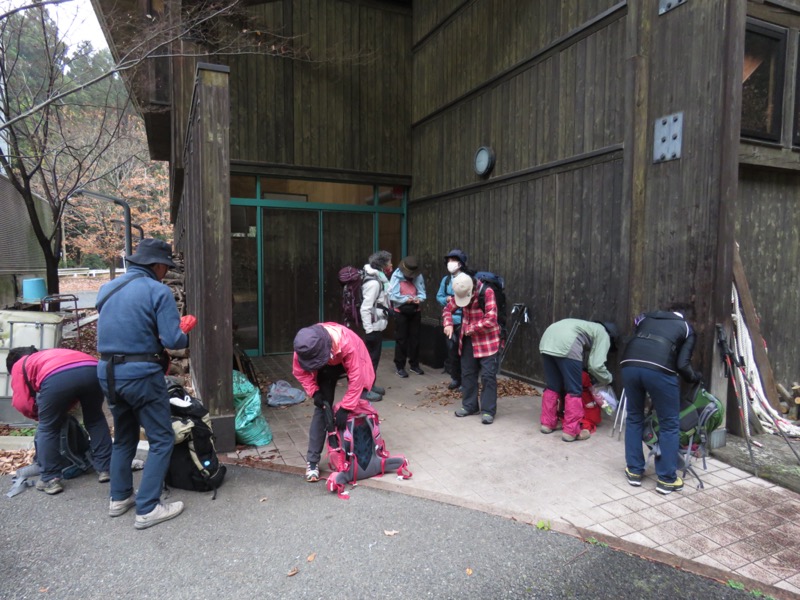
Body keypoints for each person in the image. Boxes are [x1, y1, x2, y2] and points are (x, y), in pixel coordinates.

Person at [96, 238, 197, 529]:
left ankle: (119, 498)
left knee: (124, 436)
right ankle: (148, 507)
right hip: (140, 374)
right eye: (166, 267)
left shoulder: (107, 288)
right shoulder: (157, 290)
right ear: (157, 265)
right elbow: (173, 340)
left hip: (106, 372)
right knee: (161, 438)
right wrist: (184, 329)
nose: (166, 272)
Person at [6, 347, 112, 495]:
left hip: (57, 376)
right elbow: (72, 389)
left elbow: (22, 403)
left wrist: (41, 416)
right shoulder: (49, 354)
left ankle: (50, 479)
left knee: (47, 428)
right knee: (95, 419)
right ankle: (106, 468)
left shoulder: (18, 365)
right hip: (92, 367)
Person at [621, 307, 702, 495]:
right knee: (669, 424)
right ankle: (666, 479)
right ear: (682, 315)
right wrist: (695, 377)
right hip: (659, 371)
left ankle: (634, 470)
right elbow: (682, 364)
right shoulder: (686, 327)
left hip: (629, 366)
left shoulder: (645, 319)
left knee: (634, 417)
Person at [292, 322, 378, 482]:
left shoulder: (347, 343)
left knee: (359, 405)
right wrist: (314, 392)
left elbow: (357, 378)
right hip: (327, 364)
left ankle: (364, 453)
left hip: (351, 357)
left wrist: (346, 408)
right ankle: (312, 461)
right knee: (322, 408)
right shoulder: (303, 348)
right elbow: (300, 372)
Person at [538, 319, 618, 442]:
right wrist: (608, 379)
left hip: (546, 341)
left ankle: (547, 424)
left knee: (552, 387)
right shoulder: (603, 333)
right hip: (567, 344)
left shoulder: (586, 326)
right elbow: (596, 366)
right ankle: (571, 432)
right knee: (574, 390)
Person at [442, 273, 501, 425]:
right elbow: (447, 309)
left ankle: (488, 411)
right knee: (467, 373)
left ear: (472, 289)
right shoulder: (461, 290)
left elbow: (491, 319)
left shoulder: (487, 292)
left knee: (488, 375)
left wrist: (472, 328)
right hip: (468, 339)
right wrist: (447, 323)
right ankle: (469, 406)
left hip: (488, 340)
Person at [360, 250, 393, 398]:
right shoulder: (374, 283)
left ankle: (370, 384)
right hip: (372, 328)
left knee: (374, 359)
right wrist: (369, 331)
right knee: (369, 360)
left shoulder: (379, 279)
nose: (391, 265)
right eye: (389, 262)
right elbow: (365, 308)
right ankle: (364, 391)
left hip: (376, 326)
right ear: (383, 265)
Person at [437, 249, 470, 390]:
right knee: (452, 351)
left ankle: (465, 380)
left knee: (465, 353)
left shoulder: (468, 280)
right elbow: (439, 296)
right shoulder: (445, 280)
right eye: (449, 260)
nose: (450, 263)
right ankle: (455, 378)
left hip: (465, 321)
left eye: (454, 260)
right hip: (450, 320)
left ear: (461, 263)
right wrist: (447, 299)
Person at [388, 255, 426, 378]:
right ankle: (400, 366)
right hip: (401, 311)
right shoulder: (396, 276)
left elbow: (422, 293)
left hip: (415, 311)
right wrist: (406, 299)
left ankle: (414, 365)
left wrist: (417, 299)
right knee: (401, 339)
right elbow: (392, 295)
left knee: (415, 339)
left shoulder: (418, 276)